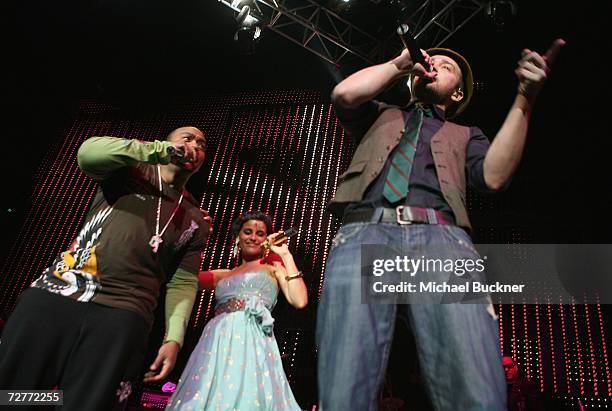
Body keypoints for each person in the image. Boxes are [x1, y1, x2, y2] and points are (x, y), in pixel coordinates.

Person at [316, 39, 565, 411]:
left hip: (440, 240)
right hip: (365, 233)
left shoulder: (467, 134)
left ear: (460, 91)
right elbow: (343, 93)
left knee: (473, 388)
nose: (435, 65)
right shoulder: (381, 113)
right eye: (433, 60)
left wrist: (525, 97)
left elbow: (494, 177)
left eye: (448, 66)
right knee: (343, 387)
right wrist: (402, 62)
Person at [0, 126, 212, 410]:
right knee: (13, 394)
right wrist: (160, 151)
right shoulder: (130, 171)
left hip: (124, 314)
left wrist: (173, 338)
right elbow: (88, 153)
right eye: (187, 138)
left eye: (202, 144)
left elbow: (183, 282)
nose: (195, 145)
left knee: (87, 402)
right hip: (59, 294)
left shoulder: (195, 218)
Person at [166, 212, 308, 410]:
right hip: (217, 340)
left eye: (260, 233)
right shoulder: (223, 274)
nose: (253, 237)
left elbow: (300, 300)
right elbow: (179, 277)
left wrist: (284, 254)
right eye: (248, 232)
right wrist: (196, 238)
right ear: (238, 238)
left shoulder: (274, 268)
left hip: (254, 340)